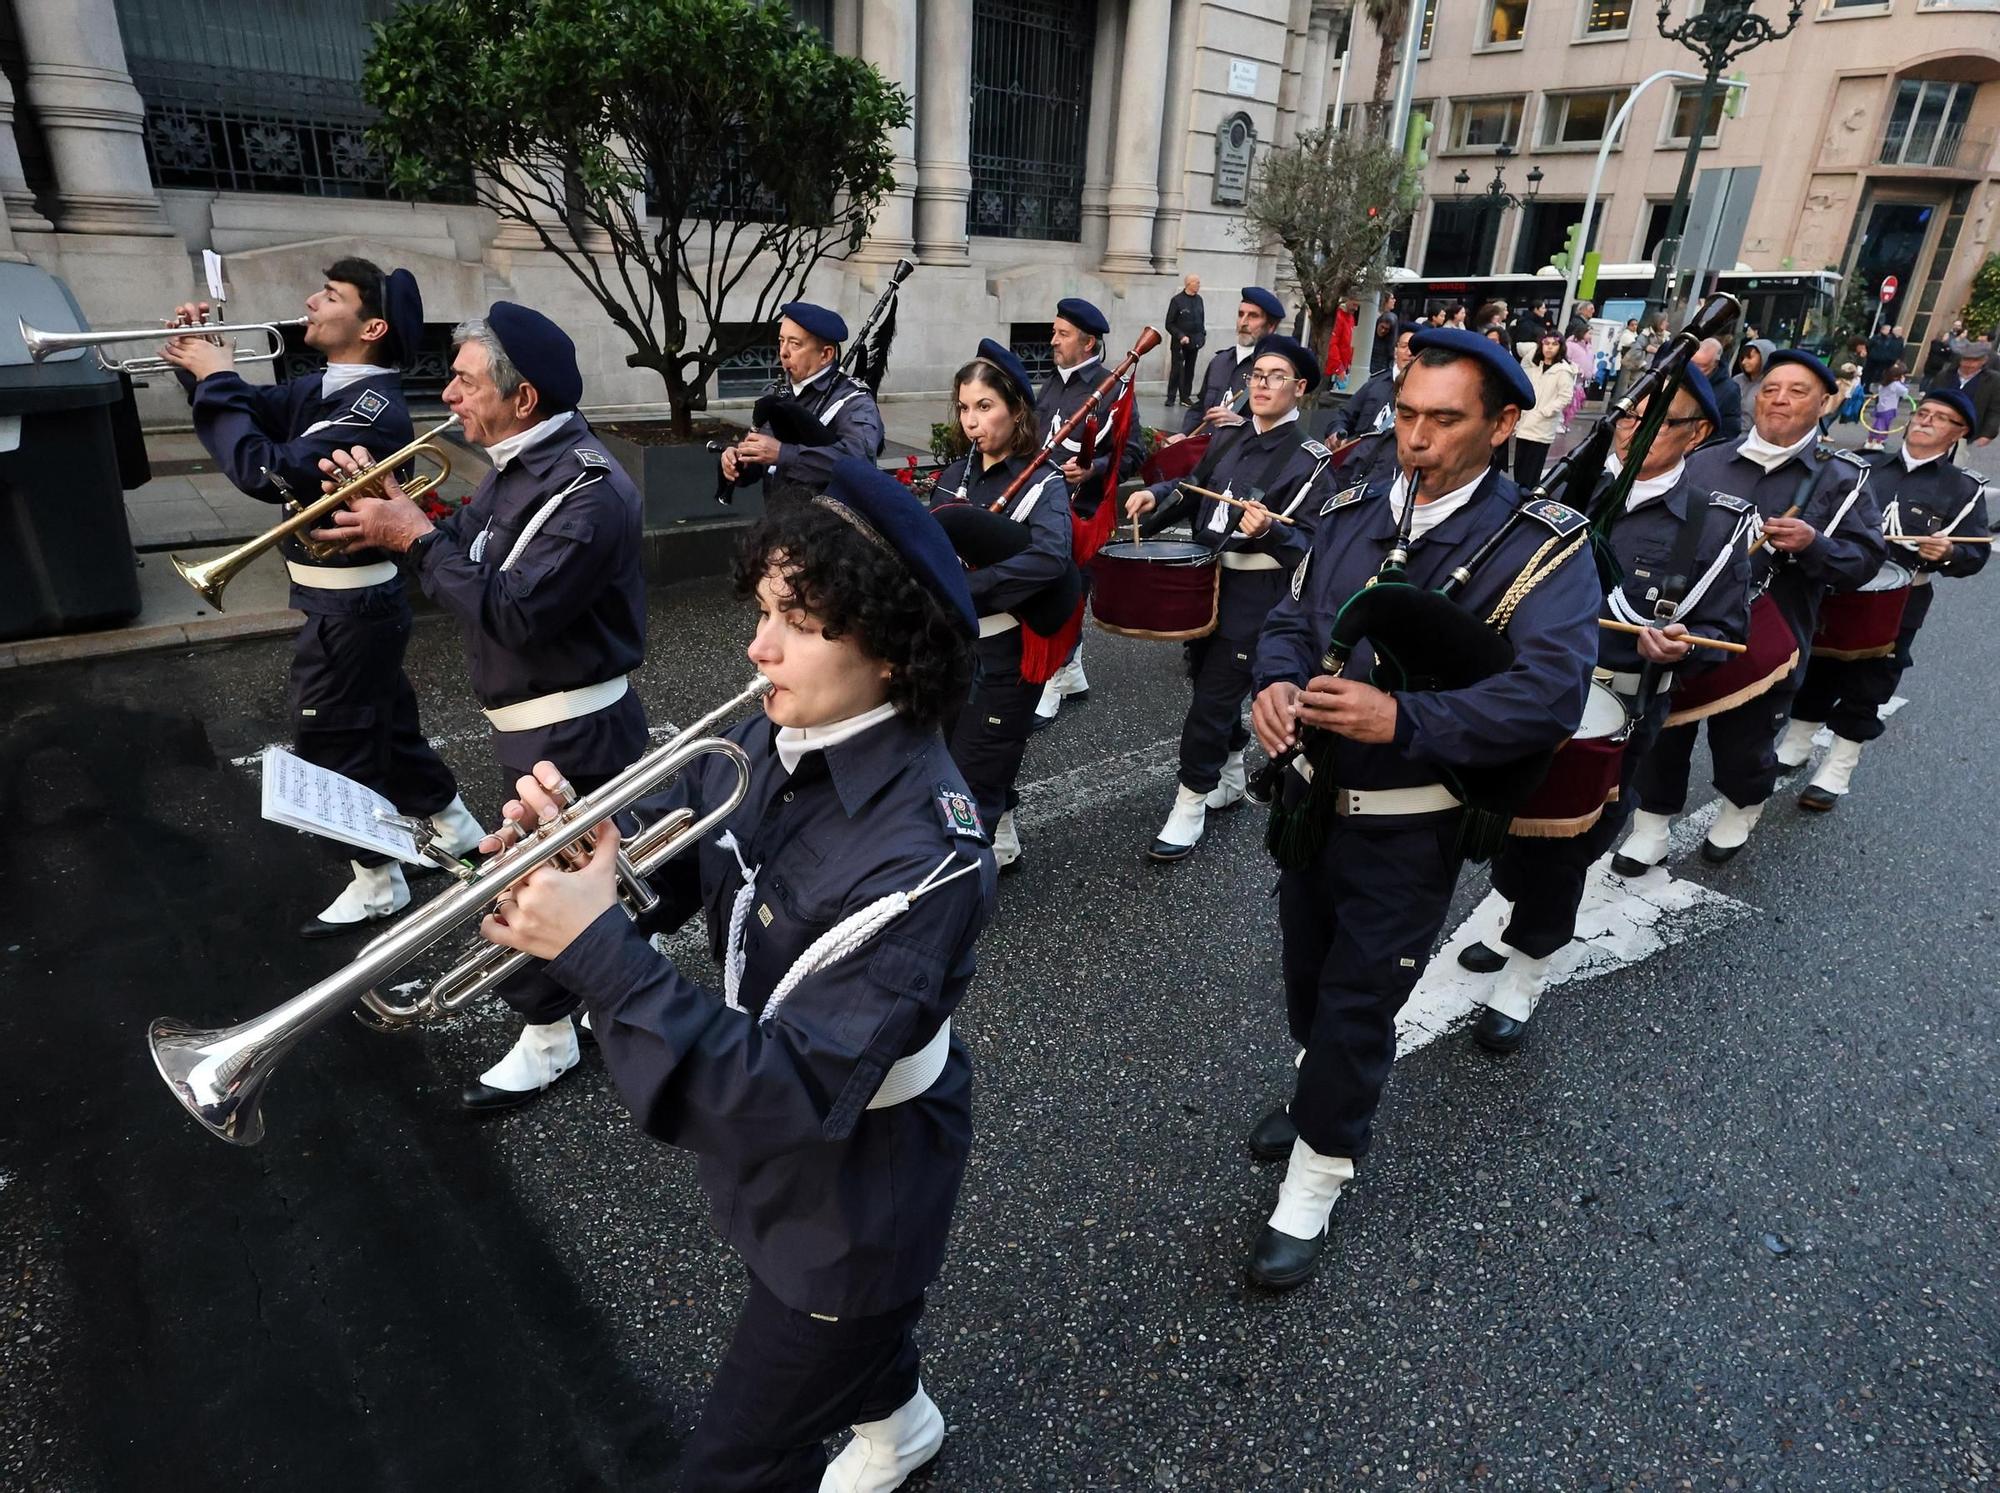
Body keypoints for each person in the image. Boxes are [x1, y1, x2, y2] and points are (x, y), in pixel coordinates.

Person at [474, 459, 995, 1491]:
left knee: (737, 1454)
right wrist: (585, 859)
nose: (759, 646)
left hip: (853, 1179)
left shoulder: (930, 854)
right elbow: (682, 867)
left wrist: (590, 948)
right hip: (776, 1139)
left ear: (890, 651)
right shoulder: (769, 727)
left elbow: (785, 1091)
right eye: (763, 608)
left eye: (798, 621)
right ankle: (900, 1418)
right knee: (824, 1311)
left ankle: (873, 1386)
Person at [1241, 328, 1602, 1288]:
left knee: (1362, 999)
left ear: (1504, 424)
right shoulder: (1354, 508)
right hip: (1312, 796)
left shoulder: (1544, 547)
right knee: (1308, 978)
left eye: (1445, 420)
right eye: (1406, 415)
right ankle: (1317, 1086)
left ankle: (1316, 1179)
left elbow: (1547, 695)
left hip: (1411, 818)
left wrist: (1403, 715)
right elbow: (1291, 620)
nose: (1416, 438)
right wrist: (1273, 687)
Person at [311, 302, 651, 1111]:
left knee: (530, 884)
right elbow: (461, 541)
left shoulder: (588, 488)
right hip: (536, 724)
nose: (450, 398)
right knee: (569, 877)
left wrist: (412, 539)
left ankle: (549, 1035)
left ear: (521, 396)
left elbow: (514, 611)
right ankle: (606, 1005)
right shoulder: (514, 465)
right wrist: (388, 509)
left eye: (463, 382)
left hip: (572, 726)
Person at [164, 259, 483, 937]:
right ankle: (454, 827)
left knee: (329, 742)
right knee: (386, 726)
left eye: (329, 296)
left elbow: (261, 467)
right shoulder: (326, 387)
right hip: (345, 605)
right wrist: (201, 367)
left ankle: (376, 880)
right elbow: (248, 416)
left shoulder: (371, 407)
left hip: (350, 608)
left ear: (370, 326)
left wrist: (216, 376)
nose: (309, 300)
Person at [1456, 373, 1754, 1051]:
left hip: (1616, 703)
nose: (1634, 429)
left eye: (1659, 420)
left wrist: (1677, 649)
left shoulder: (1714, 521)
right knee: (1502, 816)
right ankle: (1508, 914)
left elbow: (1725, 630)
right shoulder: (1568, 489)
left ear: (1698, 434)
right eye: (1630, 416)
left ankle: (1526, 971)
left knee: (1565, 846)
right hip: (1526, 686)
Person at [1618, 351, 1886, 867]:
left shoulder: (1841, 477)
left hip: (1769, 637)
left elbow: (1865, 562)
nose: (1779, 399)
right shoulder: (1703, 461)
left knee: (1745, 744)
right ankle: (1650, 826)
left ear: (1826, 402)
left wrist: (1813, 544)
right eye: (1769, 389)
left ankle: (1740, 810)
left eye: (1797, 390)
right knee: (1662, 731)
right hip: (1688, 624)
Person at [1124, 334, 1335, 860]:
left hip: (1256, 595)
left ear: (1300, 388)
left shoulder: (1312, 463)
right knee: (1204, 679)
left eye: (1276, 377)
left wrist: (1270, 532)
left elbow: (1313, 547)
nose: (1261, 385)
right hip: (1205, 583)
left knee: (1212, 700)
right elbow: (1193, 485)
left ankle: (1190, 802)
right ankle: (1232, 771)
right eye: (1256, 375)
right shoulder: (1230, 436)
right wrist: (1156, 497)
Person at [1779, 388, 1988, 809]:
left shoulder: (1963, 490)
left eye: (1940, 417)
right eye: (1923, 412)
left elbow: (1975, 552)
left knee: (1871, 679)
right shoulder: (1864, 466)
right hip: (1840, 585)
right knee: (1816, 663)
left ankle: (1838, 768)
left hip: (1901, 596)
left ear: (1959, 432)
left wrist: (1949, 552)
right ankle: (1797, 745)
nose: (1925, 420)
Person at [930, 339, 1072, 873]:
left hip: (1007, 650)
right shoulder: (951, 477)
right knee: (946, 753)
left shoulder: (1043, 482)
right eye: (964, 407)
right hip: (951, 644)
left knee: (974, 769)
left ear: (1016, 410)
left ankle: (961, 884)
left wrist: (972, 587)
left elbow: (1050, 560)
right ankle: (1002, 831)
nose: (972, 420)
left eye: (985, 407)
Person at [1030, 297, 1141, 728]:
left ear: (1088, 343)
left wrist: (1090, 470)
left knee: (1067, 591)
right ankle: (1072, 671)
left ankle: (1053, 679)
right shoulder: (1052, 382)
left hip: (1083, 509)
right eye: (1054, 331)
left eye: (1062, 334)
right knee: (1043, 584)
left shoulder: (1111, 387)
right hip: (1043, 500)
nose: (1053, 340)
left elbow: (1133, 451)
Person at [720, 301, 885, 498]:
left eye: (795, 344)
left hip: (830, 524)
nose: (783, 352)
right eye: (781, 341)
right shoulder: (781, 393)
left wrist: (784, 454)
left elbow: (859, 463)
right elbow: (763, 464)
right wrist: (737, 463)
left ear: (825, 354)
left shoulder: (854, 401)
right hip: (780, 520)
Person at [1172, 286, 1286, 440]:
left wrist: (1239, 422)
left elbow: (1277, 428)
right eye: (1240, 314)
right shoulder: (1219, 361)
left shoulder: (1275, 371)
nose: (1243, 322)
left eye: (1253, 316)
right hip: (1206, 453)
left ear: (1271, 326)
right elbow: (1200, 407)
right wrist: (1183, 434)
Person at [1328, 320, 1414, 441]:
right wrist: (1337, 433)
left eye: (1414, 349)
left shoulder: (1426, 394)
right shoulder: (1375, 384)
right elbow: (1344, 417)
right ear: (1395, 351)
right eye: (1404, 346)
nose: (1409, 353)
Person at [1512, 332, 1576, 489]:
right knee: (1519, 463)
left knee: (1532, 468)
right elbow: (1519, 347)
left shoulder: (1563, 370)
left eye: (1554, 344)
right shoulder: (1534, 366)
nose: (1549, 347)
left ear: (1560, 347)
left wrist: (1546, 411)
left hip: (1542, 426)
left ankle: (1526, 498)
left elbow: (1565, 397)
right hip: (1526, 423)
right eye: (1546, 343)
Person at [1940, 339, 1997, 445]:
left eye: (1974, 361)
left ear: (1984, 361)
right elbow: (1928, 400)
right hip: (1938, 427)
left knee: (1955, 460)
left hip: (1966, 433)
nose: (1969, 364)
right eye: (1965, 360)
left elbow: (1995, 410)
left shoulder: (1993, 380)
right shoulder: (1945, 375)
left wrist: (1988, 434)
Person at [1163, 273, 1206, 408]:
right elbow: (1169, 323)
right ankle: (1171, 397)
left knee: (1189, 370)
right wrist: (1181, 335)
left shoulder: (1199, 300)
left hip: (1195, 341)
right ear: (1189, 284)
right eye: (1197, 282)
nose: (1199, 285)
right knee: (1177, 369)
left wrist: (1202, 335)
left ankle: (1185, 397)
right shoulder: (1177, 300)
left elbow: (1201, 319)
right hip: (1180, 343)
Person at [1690, 337, 1742, 441]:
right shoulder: (1681, 376)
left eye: (1701, 366)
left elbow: (1729, 431)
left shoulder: (1729, 390)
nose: (1694, 369)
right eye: (1692, 364)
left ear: (1715, 363)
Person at [1865, 360, 1909, 451]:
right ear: (1899, 376)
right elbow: (1904, 393)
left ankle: (1870, 440)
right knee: (1883, 425)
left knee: (1877, 423)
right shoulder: (1896, 385)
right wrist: (1902, 383)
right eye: (1903, 375)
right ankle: (1878, 441)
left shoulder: (1884, 384)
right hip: (1889, 409)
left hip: (1880, 407)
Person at [1731, 337, 1772, 413]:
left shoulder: (1771, 386)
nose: (1744, 362)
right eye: (1742, 358)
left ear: (1764, 357)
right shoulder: (1736, 380)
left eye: (1749, 357)